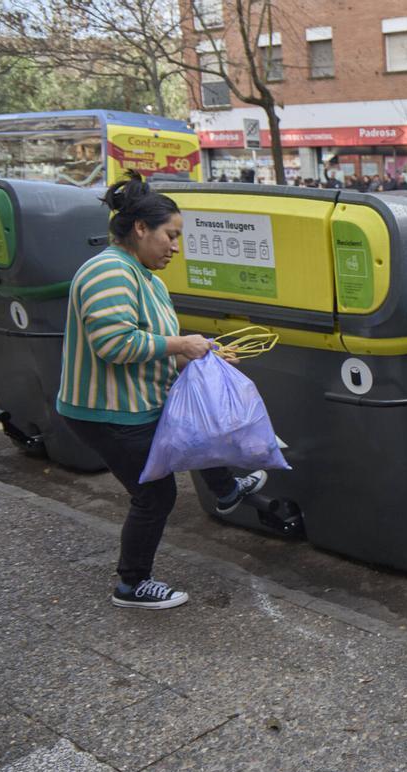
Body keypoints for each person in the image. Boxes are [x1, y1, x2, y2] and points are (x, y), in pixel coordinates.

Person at [57, 171, 268, 610]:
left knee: (191, 430)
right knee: (154, 495)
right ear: (140, 228)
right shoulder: (109, 272)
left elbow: (150, 342)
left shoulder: (145, 276)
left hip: (134, 402)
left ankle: (226, 490)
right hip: (107, 411)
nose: (175, 246)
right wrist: (181, 344)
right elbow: (114, 344)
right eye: (170, 235)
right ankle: (132, 584)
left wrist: (200, 354)